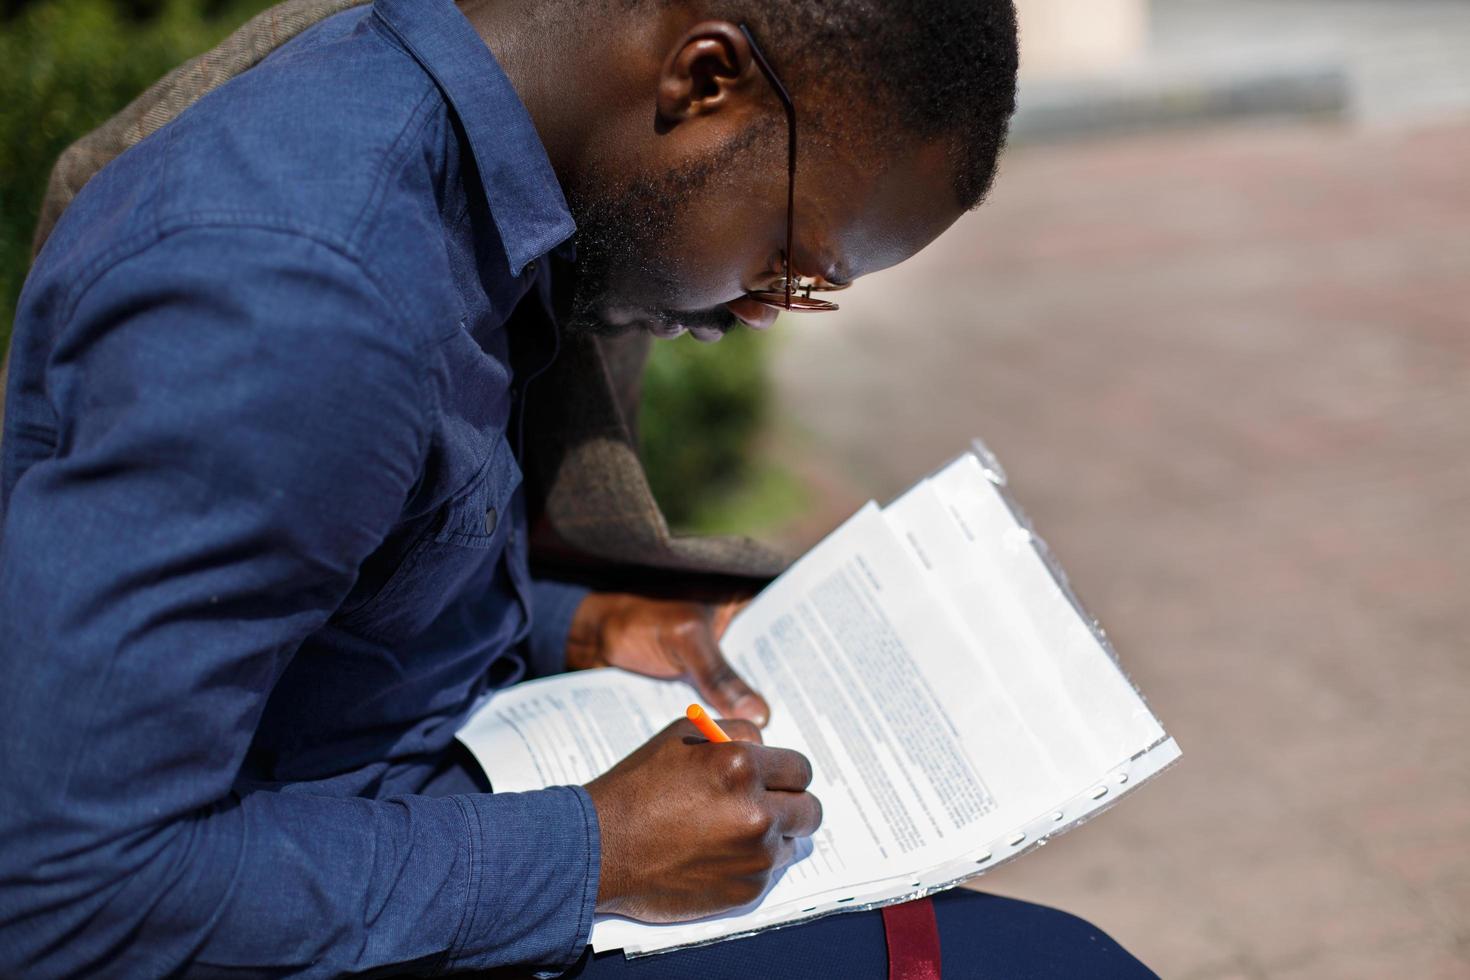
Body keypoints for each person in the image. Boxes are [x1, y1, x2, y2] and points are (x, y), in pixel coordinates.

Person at [0, 0, 1157, 975]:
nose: (757, 312)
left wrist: (578, 625)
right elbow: (65, 883)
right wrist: (597, 850)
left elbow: (338, 562)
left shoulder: (467, 152)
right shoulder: (304, 301)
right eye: (792, 264)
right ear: (707, 79)